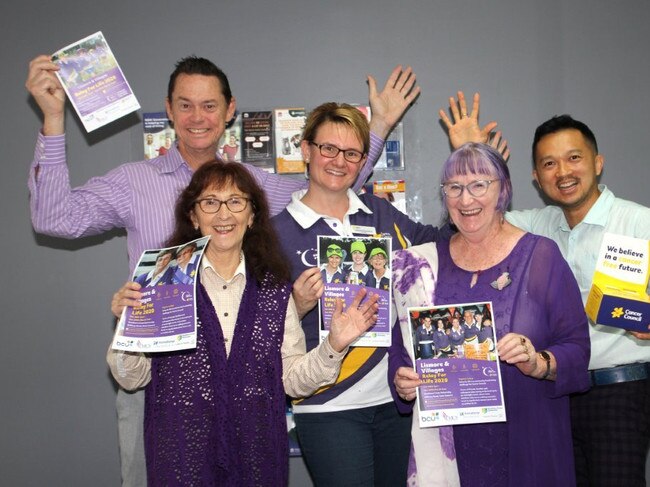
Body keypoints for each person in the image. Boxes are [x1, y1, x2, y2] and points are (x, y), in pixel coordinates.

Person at [25, 52, 420, 486]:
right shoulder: (131, 181)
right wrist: (53, 119)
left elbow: (330, 182)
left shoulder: (255, 182)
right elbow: (53, 218)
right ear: (169, 107)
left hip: (244, 392)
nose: (198, 116)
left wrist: (377, 128)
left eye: (209, 105)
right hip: (160, 382)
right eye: (186, 104)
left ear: (229, 110)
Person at [108, 161, 380, 485]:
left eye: (236, 201)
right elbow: (130, 378)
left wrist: (334, 346)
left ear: (251, 216)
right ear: (193, 216)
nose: (224, 214)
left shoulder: (274, 289)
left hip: (256, 461)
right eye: (210, 202)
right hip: (181, 460)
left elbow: (291, 379)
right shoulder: (163, 285)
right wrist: (128, 330)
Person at [443, 92, 650, 486]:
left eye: (574, 158)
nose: (563, 172)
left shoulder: (639, 223)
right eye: (548, 164)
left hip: (618, 392)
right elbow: (478, 215)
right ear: (536, 178)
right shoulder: (533, 225)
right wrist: (471, 155)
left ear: (598, 163)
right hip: (552, 393)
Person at [390, 143, 591, 486]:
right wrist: (402, 380)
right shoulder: (423, 265)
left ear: (503, 191)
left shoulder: (540, 256)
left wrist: (537, 361)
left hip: (528, 443)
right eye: (454, 187)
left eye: (479, 185)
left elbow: (576, 348)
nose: (466, 200)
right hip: (451, 456)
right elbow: (401, 348)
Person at [271, 102, 449, 486]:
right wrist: (296, 305)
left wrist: (470, 188)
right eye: (328, 149)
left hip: (394, 401)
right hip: (327, 403)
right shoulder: (275, 234)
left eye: (352, 153)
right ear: (306, 149)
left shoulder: (380, 214)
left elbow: (441, 246)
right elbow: (259, 327)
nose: (339, 161)